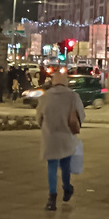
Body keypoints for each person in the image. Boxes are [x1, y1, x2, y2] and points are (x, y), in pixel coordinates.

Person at [36, 69, 85, 211]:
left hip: (50, 136)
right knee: (65, 164)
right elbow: (81, 114)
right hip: (66, 136)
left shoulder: (45, 97)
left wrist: (44, 126)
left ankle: (52, 198)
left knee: (51, 166)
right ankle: (67, 187)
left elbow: (39, 116)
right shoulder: (73, 96)